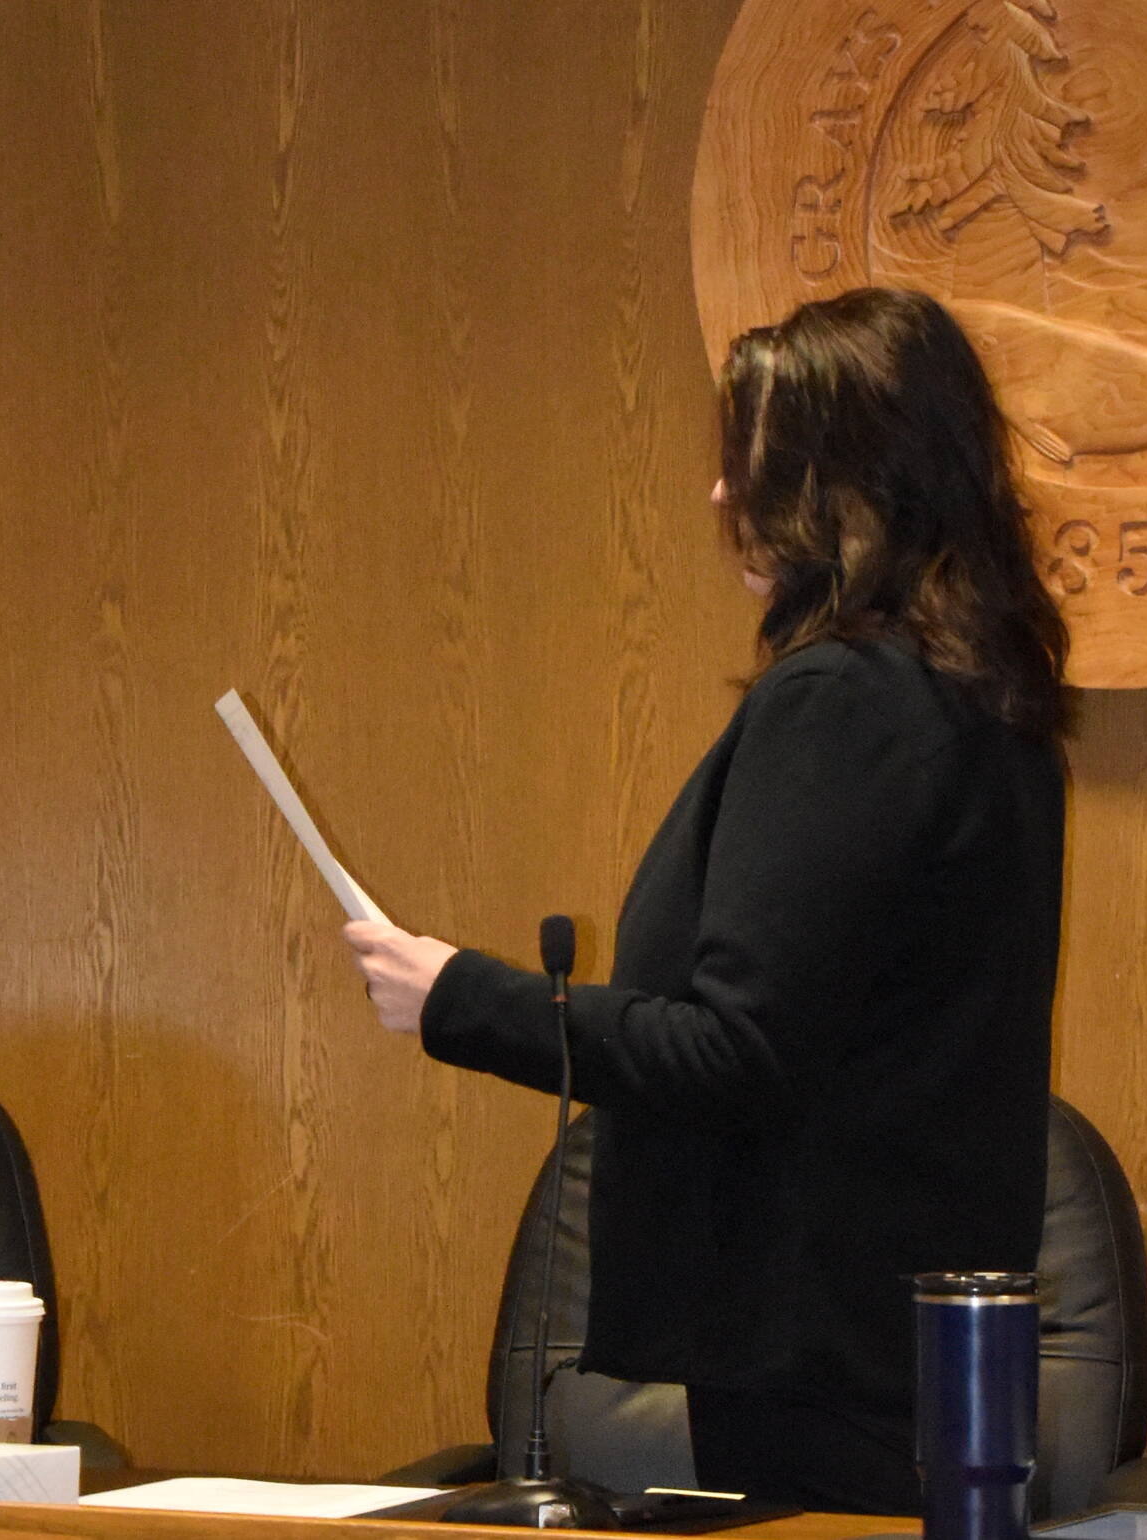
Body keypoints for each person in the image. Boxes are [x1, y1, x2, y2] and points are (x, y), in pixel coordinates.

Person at [345, 287, 1069, 1513]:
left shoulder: (840, 705)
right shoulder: (985, 711)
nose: (720, 498)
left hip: (815, 1362)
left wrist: (458, 996)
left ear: (838, 488)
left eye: (750, 466)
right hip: (921, 1365)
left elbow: (737, 1047)